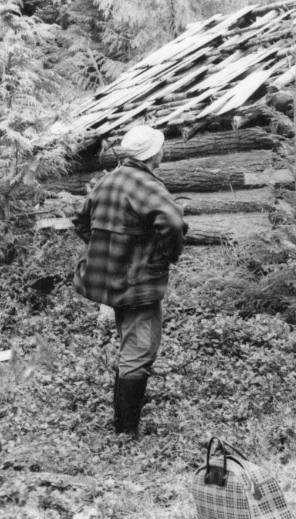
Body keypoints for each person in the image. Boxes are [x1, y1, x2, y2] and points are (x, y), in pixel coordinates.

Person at [73, 125, 187, 436]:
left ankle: (123, 424)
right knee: (140, 348)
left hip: (111, 279)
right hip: (136, 282)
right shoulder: (145, 184)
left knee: (130, 342)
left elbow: (81, 221)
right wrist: (165, 255)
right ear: (154, 155)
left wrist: (107, 250)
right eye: (160, 148)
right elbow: (174, 222)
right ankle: (125, 432)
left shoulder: (109, 179)